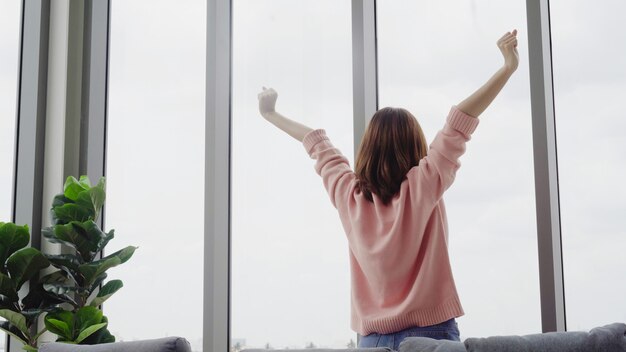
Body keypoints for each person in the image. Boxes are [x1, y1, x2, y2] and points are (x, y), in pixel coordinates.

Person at [257, 30, 519, 350]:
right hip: (432, 335)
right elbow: (460, 121)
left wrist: (270, 114)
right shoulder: (425, 184)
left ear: (367, 147)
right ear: (416, 146)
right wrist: (506, 69)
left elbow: (315, 141)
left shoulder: (347, 194)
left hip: (372, 340)